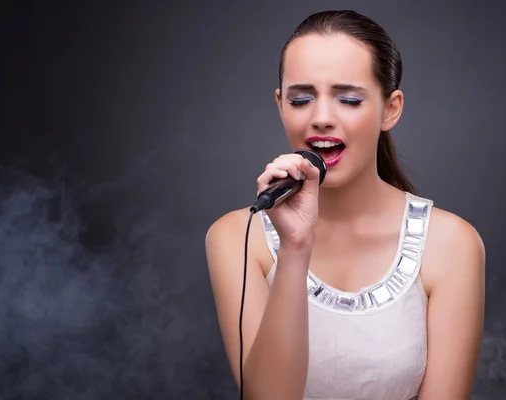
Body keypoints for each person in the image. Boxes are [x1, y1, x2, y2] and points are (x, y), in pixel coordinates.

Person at [205, 9, 485, 400]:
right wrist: (296, 246)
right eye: (300, 99)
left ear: (391, 108)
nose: (321, 118)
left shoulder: (452, 243)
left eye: (349, 99)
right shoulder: (236, 237)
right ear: (280, 104)